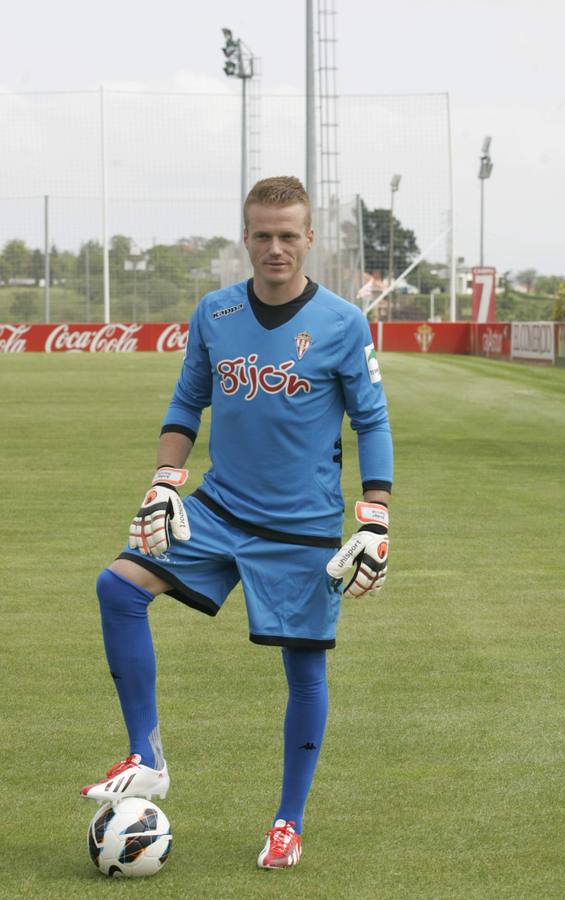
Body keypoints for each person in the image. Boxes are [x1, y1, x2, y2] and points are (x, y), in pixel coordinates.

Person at [81, 176, 393, 869]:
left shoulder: (343, 322)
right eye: (263, 235)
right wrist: (163, 481)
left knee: (304, 671)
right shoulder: (215, 312)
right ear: (245, 237)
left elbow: (371, 421)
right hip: (219, 509)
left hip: (302, 528)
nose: (275, 247)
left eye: (288, 235)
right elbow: (186, 401)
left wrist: (374, 519)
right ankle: (147, 754)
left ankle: (287, 823)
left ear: (309, 238)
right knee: (118, 586)